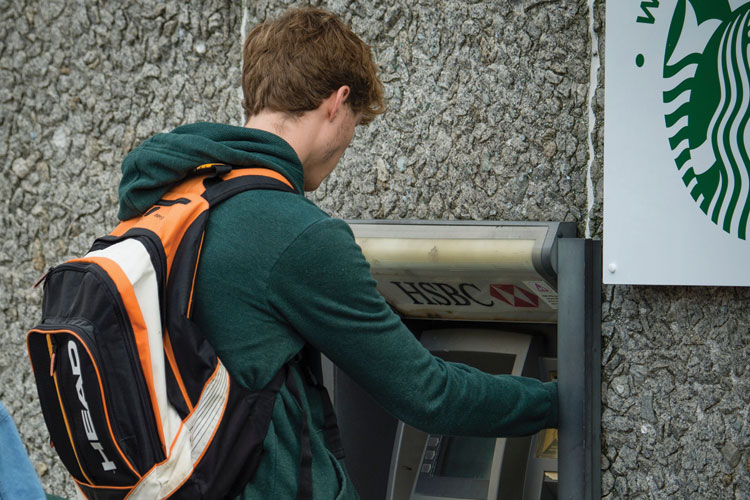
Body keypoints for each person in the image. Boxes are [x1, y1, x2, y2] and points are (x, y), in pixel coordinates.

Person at [117, 7, 558, 499]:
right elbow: (427, 394)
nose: (349, 141)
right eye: (355, 124)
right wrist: (562, 401)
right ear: (337, 102)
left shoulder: (165, 203)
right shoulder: (296, 234)